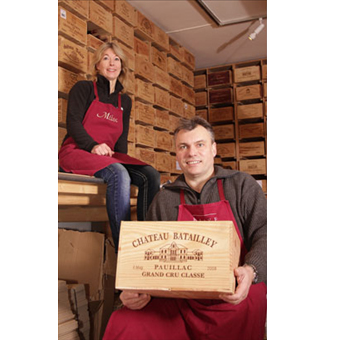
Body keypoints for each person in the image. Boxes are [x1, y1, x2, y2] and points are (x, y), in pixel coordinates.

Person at [103, 116, 267, 340]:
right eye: (184, 147)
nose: (192, 153)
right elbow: (147, 257)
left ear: (213, 149)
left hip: (235, 294)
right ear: (177, 154)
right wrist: (135, 290)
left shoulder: (242, 185)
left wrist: (251, 271)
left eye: (200, 145)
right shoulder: (164, 198)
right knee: (124, 322)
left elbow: (264, 232)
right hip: (181, 300)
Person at [58, 41, 160, 250]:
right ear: (97, 65)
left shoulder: (125, 102)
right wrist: (93, 145)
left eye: (116, 59)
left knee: (151, 175)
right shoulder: (84, 88)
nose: (111, 63)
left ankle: (146, 241)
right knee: (118, 172)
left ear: (122, 65)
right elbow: (73, 123)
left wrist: (124, 161)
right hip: (76, 151)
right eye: (105, 58)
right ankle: (124, 245)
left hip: (107, 158)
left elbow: (121, 141)